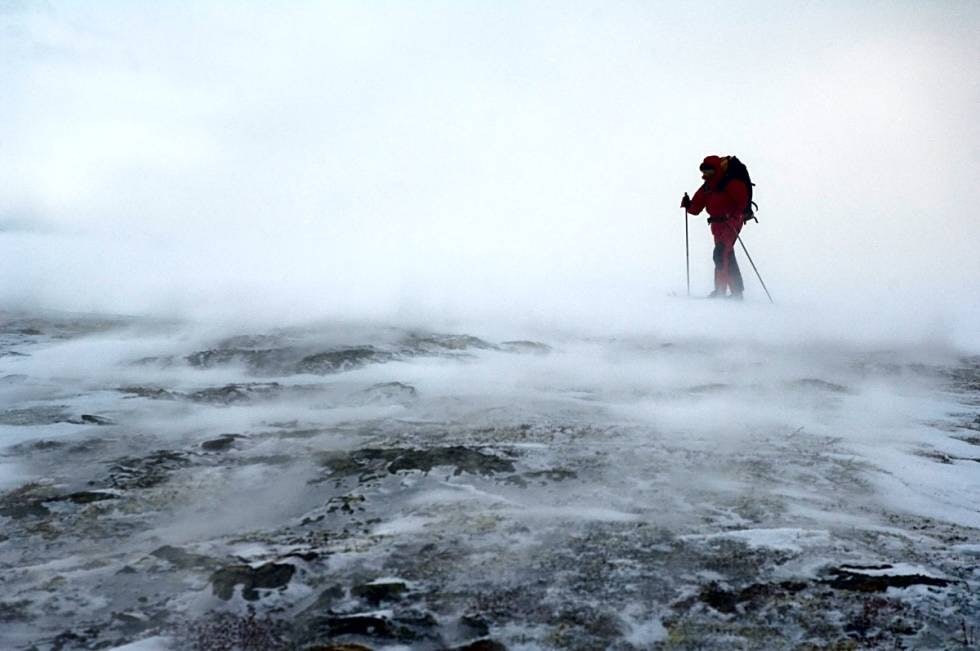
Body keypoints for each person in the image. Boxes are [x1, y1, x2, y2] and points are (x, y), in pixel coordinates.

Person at [681, 155, 748, 299]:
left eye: (708, 172)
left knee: (720, 253)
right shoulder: (708, 186)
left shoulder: (730, 183)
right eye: (704, 172)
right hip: (717, 225)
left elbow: (742, 202)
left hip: (731, 223)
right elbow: (696, 208)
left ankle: (720, 292)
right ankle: (736, 292)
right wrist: (688, 205)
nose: (705, 175)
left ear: (716, 170)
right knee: (726, 254)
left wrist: (734, 217)